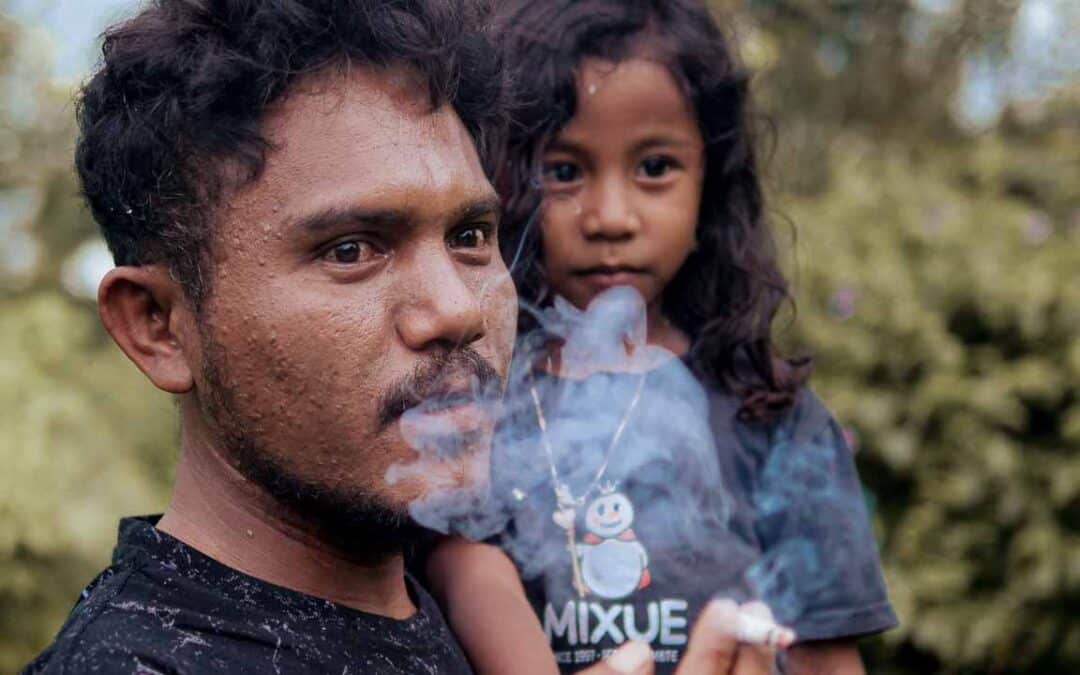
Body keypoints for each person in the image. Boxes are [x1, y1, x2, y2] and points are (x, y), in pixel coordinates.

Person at [24, 1, 774, 674]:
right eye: (352, 249)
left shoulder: (453, 613)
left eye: (472, 235)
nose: (458, 310)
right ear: (158, 326)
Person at [426, 1, 898, 674]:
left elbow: (827, 656)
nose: (611, 217)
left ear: (712, 180)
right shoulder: (470, 406)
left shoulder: (776, 420)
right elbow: (462, 566)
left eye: (654, 167)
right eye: (563, 170)